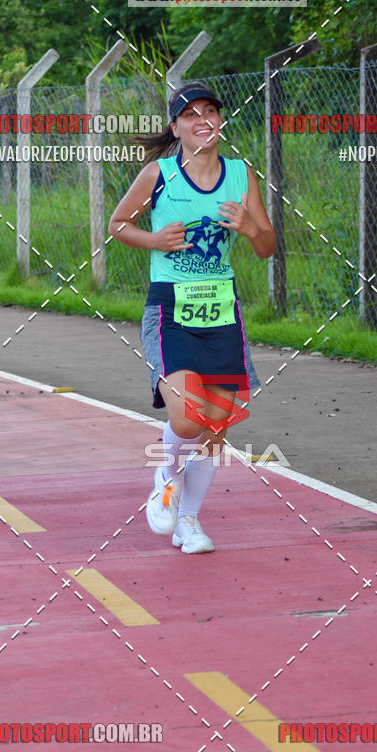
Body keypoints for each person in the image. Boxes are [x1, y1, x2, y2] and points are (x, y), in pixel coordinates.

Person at [108, 81, 276, 554]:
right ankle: (165, 477)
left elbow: (267, 247)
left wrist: (248, 228)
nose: (203, 120)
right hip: (171, 309)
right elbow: (118, 225)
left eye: (210, 112)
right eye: (191, 114)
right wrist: (155, 240)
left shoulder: (242, 175)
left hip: (222, 311)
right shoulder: (158, 174)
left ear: (220, 121)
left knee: (217, 426)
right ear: (176, 127)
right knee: (187, 421)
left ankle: (188, 520)